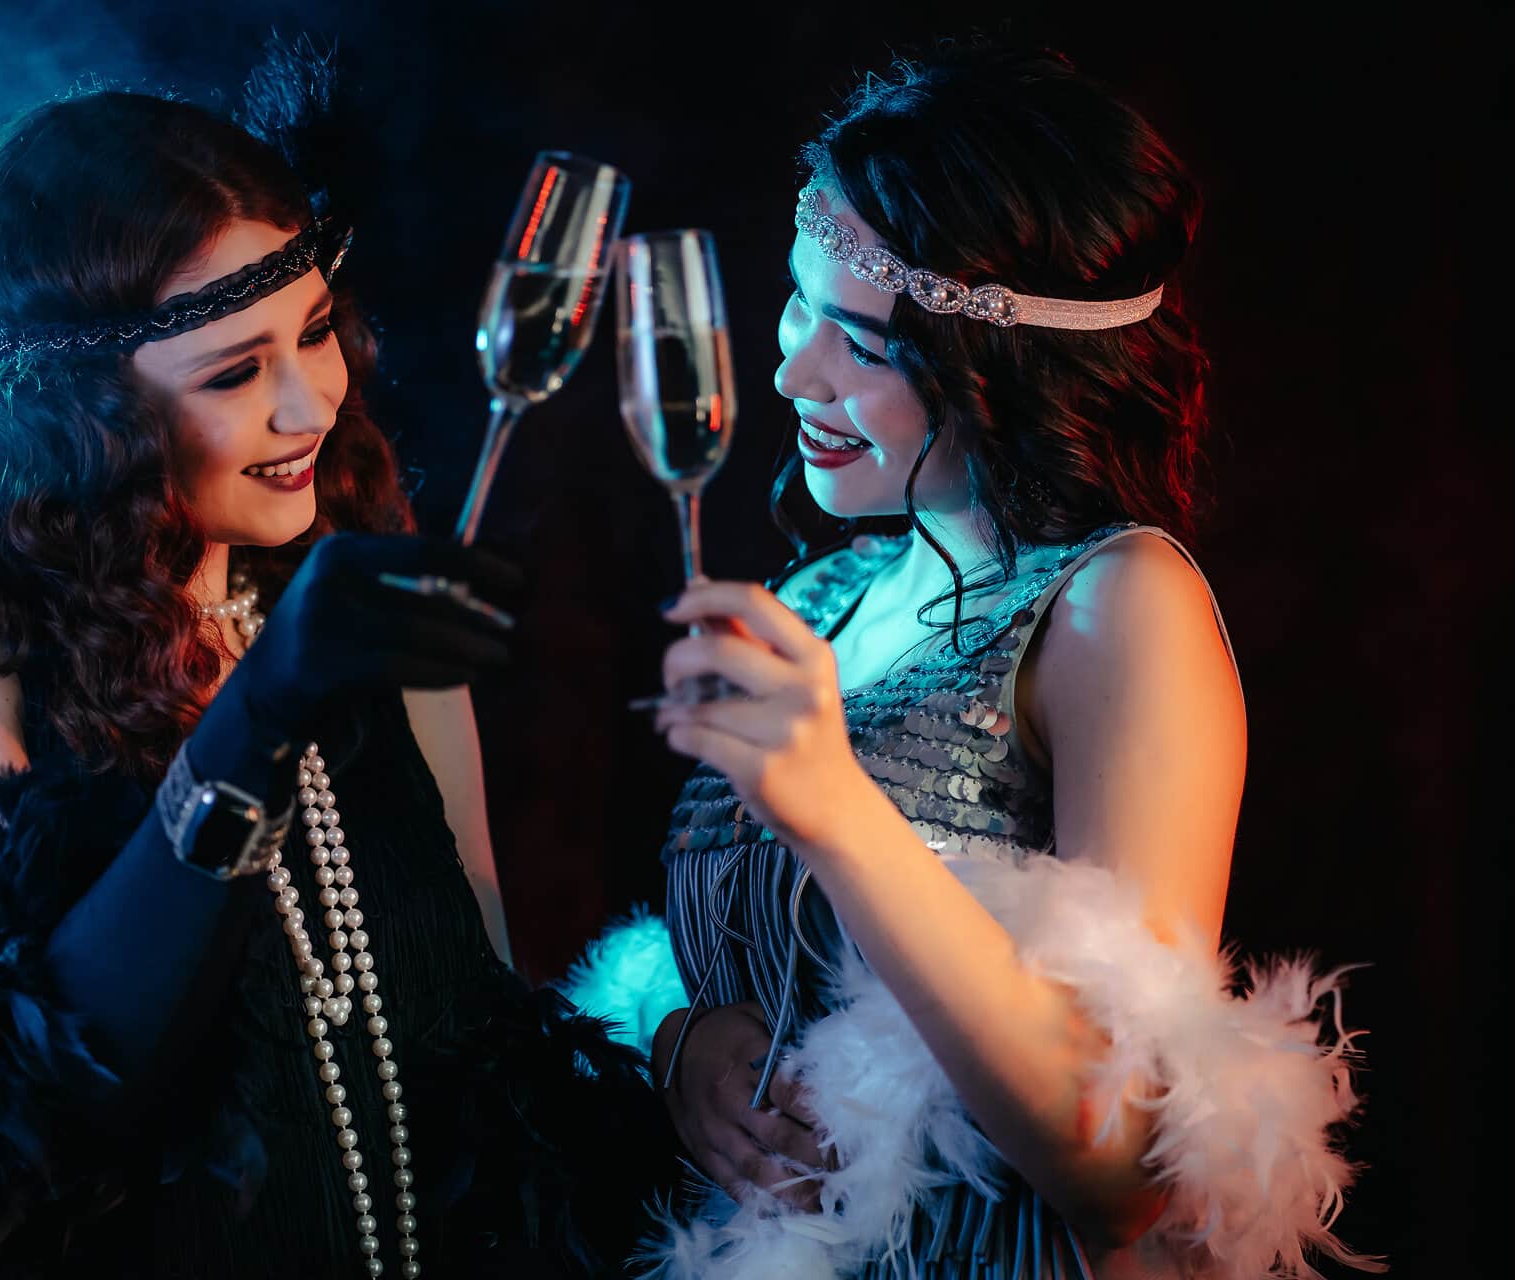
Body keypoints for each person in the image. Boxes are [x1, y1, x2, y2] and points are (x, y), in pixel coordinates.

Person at [0, 53, 672, 1279]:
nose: (311, 406)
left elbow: (491, 1003)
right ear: (76, 415)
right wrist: (266, 709)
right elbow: (44, 1089)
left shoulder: (347, 551)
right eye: (236, 371)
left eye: (316, 332)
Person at [569, 43, 1377, 1280]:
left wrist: (838, 810)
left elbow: (1126, 1166)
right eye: (797, 302)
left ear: (1004, 371)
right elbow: (741, 961)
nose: (792, 370)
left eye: (863, 342)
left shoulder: (1118, 603)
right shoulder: (819, 598)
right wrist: (678, 1043)